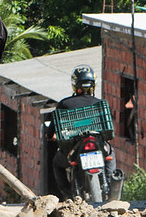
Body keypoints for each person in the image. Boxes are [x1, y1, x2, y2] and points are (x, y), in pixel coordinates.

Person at [48, 65, 116, 200]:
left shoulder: (64, 104)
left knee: (57, 163)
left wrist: (50, 135)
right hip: (96, 142)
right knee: (111, 154)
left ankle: (67, 194)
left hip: (73, 147)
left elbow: (53, 126)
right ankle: (110, 183)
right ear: (93, 85)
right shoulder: (100, 104)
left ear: (75, 85)